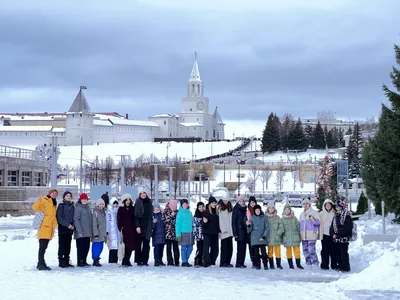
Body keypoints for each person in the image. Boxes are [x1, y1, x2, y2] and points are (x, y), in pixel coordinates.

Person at [32, 189, 58, 270]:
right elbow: (36, 208)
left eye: (55, 193)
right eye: (53, 193)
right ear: (49, 193)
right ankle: (41, 263)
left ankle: (41, 262)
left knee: (44, 246)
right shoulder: (45, 200)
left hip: (49, 227)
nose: (54, 194)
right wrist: (39, 200)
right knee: (42, 247)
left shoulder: (53, 202)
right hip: (44, 227)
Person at [330, 200, 353, 272]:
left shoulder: (346, 215)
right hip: (337, 239)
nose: (337, 208)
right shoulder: (335, 215)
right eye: (336, 206)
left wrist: (337, 233)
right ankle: (340, 266)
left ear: (341, 206)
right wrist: (332, 233)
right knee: (338, 253)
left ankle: (346, 267)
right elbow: (332, 227)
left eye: (338, 206)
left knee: (344, 253)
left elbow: (347, 227)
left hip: (344, 238)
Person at [117, 193, 139, 267]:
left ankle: (127, 260)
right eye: (126, 200)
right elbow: (118, 220)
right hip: (125, 231)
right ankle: (125, 260)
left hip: (132, 231)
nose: (128, 201)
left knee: (131, 246)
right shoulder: (120, 209)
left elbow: (135, 219)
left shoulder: (132, 208)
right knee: (125, 246)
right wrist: (120, 228)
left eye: (129, 199)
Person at [299, 198, 321, 268]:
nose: (305, 205)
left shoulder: (314, 213)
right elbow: (300, 224)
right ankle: (308, 263)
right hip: (304, 235)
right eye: (304, 204)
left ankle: (315, 263)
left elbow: (318, 222)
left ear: (309, 204)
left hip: (311, 234)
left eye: (307, 204)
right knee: (305, 250)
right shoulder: (302, 214)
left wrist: (311, 218)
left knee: (311, 249)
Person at [56, 191, 75, 268]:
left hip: (70, 229)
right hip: (63, 228)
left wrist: (72, 225)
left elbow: (74, 217)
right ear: (64, 197)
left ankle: (67, 260)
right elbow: (59, 217)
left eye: (70, 196)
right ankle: (61, 261)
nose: (69, 197)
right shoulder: (61, 206)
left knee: (68, 245)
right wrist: (67, 225)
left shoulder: (72, 206)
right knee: (62, 245)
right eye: (67, 195)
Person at [247, 204, 269, 270]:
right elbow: (249, 230)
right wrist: (249, 226)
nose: (257, 211)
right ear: (254, 211)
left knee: (264, 253)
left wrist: (264, 236)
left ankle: (265, 264)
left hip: (262, 238)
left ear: (260, 210)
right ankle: (258, 265)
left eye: (258, 210)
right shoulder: (252, 218)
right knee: (256, 253)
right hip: (255, 239)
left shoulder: (264, 218)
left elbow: (267, 228)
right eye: (256, 210)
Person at [281, 204, 303, 269]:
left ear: (290, 210)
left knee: (297, 251)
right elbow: (281, 229)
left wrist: (300, 236)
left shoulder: (294, 218)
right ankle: (291, 265)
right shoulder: (282, 219)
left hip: (295, 237)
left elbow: (299, 227)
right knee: (289, 252)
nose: (287, 211)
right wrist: (282, 239)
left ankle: (298, 264)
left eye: (288, 209)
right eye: (286, 209)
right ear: (284, 211)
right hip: (287, 238)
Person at [74, 193, 93, 267]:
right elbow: (76, 220)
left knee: (86, 247)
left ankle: (84, 260)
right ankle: (80, 261)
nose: (84, 200)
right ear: (80, 200)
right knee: (81, 248)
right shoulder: (78, 208)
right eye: (83, 199)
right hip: (81, 233)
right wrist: (79, 231)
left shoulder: (88, 208)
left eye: (86, 199)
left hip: (87, 232)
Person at [134, 191, 153, 266]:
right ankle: (138, 260)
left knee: (146, 244)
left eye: (144, 193)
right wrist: (137, 226)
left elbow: (151, 214)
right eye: (141, 194)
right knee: (138, 244)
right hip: (140, 224)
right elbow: (136, 216)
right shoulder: (138, 202)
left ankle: (145, 260)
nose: (143, 195)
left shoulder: (149, 202)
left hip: (147, 225)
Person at [319, 199, 338, 270]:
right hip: (324, 234)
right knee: (325, 250)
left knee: (334, 250)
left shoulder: (335, 213)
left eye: (329, 204)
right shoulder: (321, 214)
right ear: (324, 205)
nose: (328, 206)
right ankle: (324, 265)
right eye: (326, 205)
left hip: (333, 234)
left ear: (331, 205)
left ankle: (334, 265)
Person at [202, 196, 221, 268]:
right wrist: (205, 222)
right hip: (207, 233)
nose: (214, 204)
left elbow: (217, 223)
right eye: (212, 203)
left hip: (215, 233)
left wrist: (219, 230)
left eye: (215, 203)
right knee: (206, 248)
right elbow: (203, 223)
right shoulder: (206, 212)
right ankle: (206, 262)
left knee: (215, 249)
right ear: (209, 203)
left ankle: (213, 261)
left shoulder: (216, 212)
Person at [265, 201, 284, 269]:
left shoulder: (278, 217)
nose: (271, 209)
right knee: (270, 252)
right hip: (269, 237)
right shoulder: (265, 217)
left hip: (276, 238)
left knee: (278, 252)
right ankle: (271, 264)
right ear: (267, 209)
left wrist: (278, 234)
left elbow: (281, 227)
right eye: (269, 208)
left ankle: (278, 264)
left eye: (272, 208)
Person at [176, 199, 194, 267]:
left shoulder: (190, 213)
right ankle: (184, 261)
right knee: (183, 248)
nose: (185, 205)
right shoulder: (180, 213)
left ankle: (186, 260)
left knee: (190, 248)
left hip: (190, 232)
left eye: (186, 204)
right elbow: (177, 224)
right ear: (181, 205)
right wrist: (178, 234)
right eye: (184, 204)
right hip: (183, 232)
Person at [218, 191, 234, 268]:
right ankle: (223, 262)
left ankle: (228, 261)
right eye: (224, 200)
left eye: (226, 200)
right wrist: (223, 229)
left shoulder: (231, 208)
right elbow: (220, 220)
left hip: (230, 231)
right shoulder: (220, 209)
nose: (225, 201)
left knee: (230, 248)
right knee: (224, 248)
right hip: (224, 232)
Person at [232, 195, 247, 268]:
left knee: (244, 248)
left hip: (245, 231)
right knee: (240, 248)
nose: (241, 202)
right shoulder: (236, 209)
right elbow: (233, 222)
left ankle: (242, 262)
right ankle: (238, 263)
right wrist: (235, 233)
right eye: (240, 201)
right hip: (239, 231)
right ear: (237, 202)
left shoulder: (245, 209)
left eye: (242, 201)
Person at [163, 200, 180, 266]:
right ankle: (170, 262)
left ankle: (176, 261)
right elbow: (164, 221)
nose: (173, 207)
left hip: (176, 233)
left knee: (176, 248)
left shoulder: (178, 213)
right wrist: (171, 216)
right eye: (172, 205)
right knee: (168, 248)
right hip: (168, 233)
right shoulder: (166, 212)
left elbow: (179, 221)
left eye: (175, 206)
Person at [92, 198, 107, 267]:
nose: (101, 205)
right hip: (97, 233)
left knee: (101, 247)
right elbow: (94, 224)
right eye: (100, 204)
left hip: (102, 233)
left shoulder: (104, 212)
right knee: (96, 247)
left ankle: (97, 259)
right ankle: (95, 259)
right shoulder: (95, 213)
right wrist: (95, 234)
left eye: (102, 204)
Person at [106, 200, 120, 264]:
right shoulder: (109, 212)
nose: (115, 205)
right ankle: (111, 260)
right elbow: (107, 223)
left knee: (117, 246)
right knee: (112, 247)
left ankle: (115, 260)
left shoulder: (118, 211)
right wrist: (107, 232)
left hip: (117, 232)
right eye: (114, 204)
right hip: (111, 232)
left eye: (116, 204)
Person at [152, 202, 166, 267]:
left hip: (162, 234)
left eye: (157, 207)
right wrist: (153, 223)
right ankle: (156, 260)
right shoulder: (153, 215)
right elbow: (152, 227)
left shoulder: (161, 215)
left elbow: (164, 223)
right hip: (156, 235)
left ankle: (160, 260)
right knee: (157, 249)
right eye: (155, 207)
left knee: (161, 248)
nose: (156, 208)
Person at [193, 202, 205, 267]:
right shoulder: (195, 216)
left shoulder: (205, 214)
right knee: (199, 248)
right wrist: (195, 234)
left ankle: (202, 260)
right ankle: (197, 260)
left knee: (204, 248)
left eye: (202, 206)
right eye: (200, 207)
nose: (201, 208)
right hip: (198, 235)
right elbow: (194, 226)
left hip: (205, 235)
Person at [246, 196, 257, 268]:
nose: (252, 204)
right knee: (251, 247)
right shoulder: (247, 211)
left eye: (253, 202)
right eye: (251, 203)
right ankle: (253, 262)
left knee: (257, 247)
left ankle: (257, 261)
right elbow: (245, 221)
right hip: (250, 232)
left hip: (258, 232)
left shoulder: (258, 210)